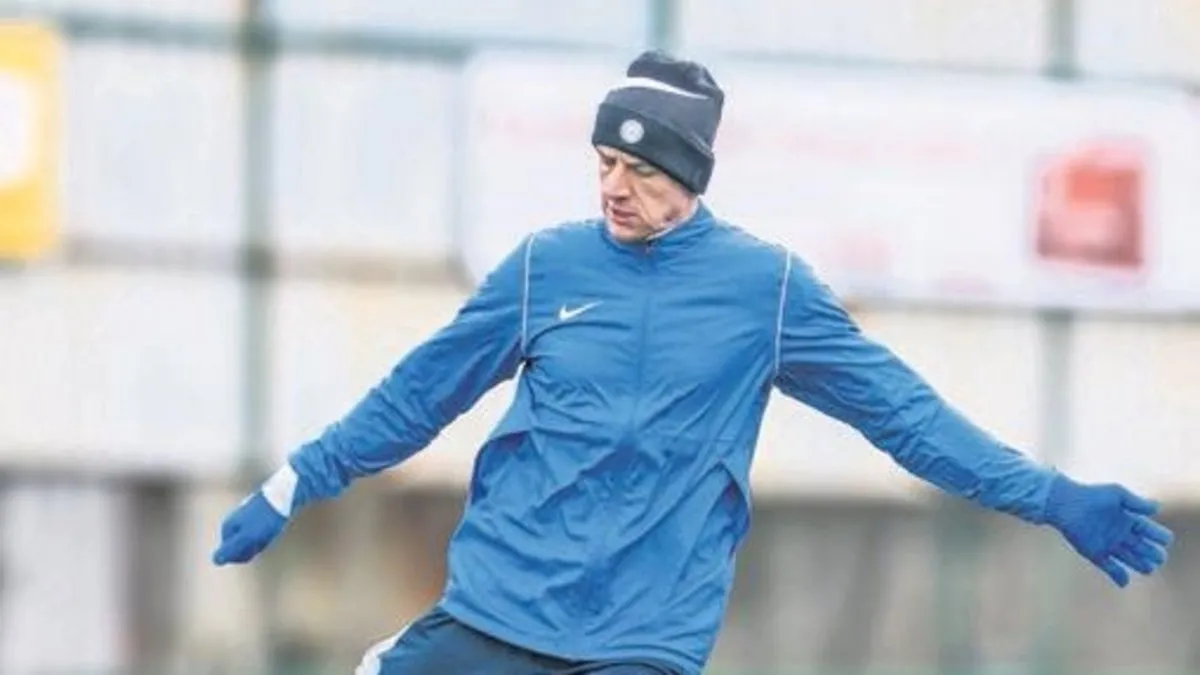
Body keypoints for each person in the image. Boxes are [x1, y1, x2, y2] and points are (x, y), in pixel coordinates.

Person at [212, 51, 1175, 675]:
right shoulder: (547, 266)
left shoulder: (766, 291)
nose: (614, 187)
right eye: (603, 162)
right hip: (499, 610)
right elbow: (419, 394)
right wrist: (296, 482)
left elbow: (906, 418)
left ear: (692, 177)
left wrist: (1049, 497)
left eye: (642, 170)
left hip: (643, 638)